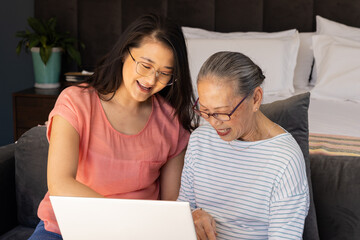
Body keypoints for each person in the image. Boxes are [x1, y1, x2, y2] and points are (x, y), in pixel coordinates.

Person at [29, 13, 197, 239]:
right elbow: (60, 184)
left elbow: (171, 203)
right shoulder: (75, 102)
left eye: (165, 73)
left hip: (136, 234)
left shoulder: (171, 123)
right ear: (124, 53)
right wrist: (120, 222)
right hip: (65, 229)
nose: (150, 80)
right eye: (145, 65)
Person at [177, 51, 309, 240]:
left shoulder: (284, 161)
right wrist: (192, 215)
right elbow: (183, 209)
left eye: (222, 112)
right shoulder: (200, 141)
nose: (214, 123)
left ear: (256, 98)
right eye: (205, 111)